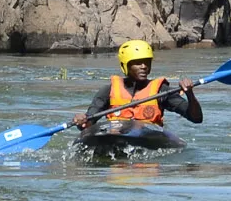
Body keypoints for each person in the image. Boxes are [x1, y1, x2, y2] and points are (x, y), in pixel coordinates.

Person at [74, 40, 202, 140]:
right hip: (116, 135)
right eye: (138, 63)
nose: (144, 66)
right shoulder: (108, 91)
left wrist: (190, 94)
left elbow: (196, 118)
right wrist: (82, 120)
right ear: (126, 65)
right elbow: (88, 123)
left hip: (147, 138)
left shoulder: (161, 91)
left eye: (146, 62)